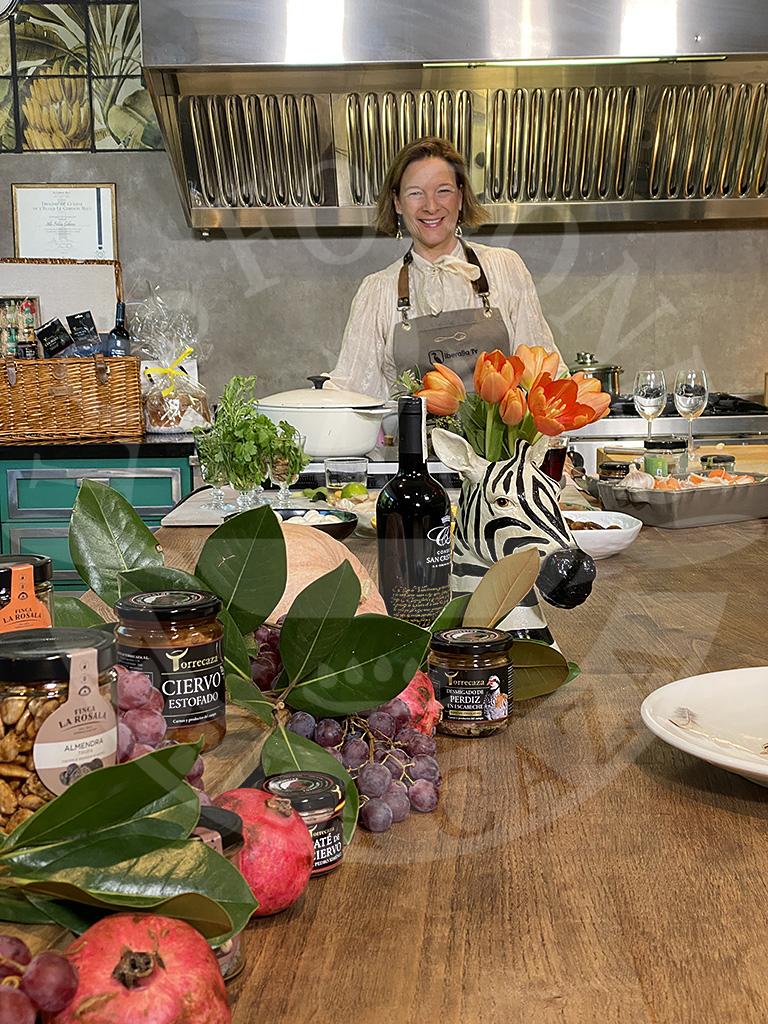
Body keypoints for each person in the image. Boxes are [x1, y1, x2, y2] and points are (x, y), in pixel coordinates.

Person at [330, 136, 565, 400]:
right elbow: (355, 397)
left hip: (499, 430)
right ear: (397, 203)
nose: (431, 206)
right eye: (415, 193)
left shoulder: (504, 268)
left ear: (460, 197)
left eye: (443, 191)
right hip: (411, 430)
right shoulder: (377, 292)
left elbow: (543, 376)